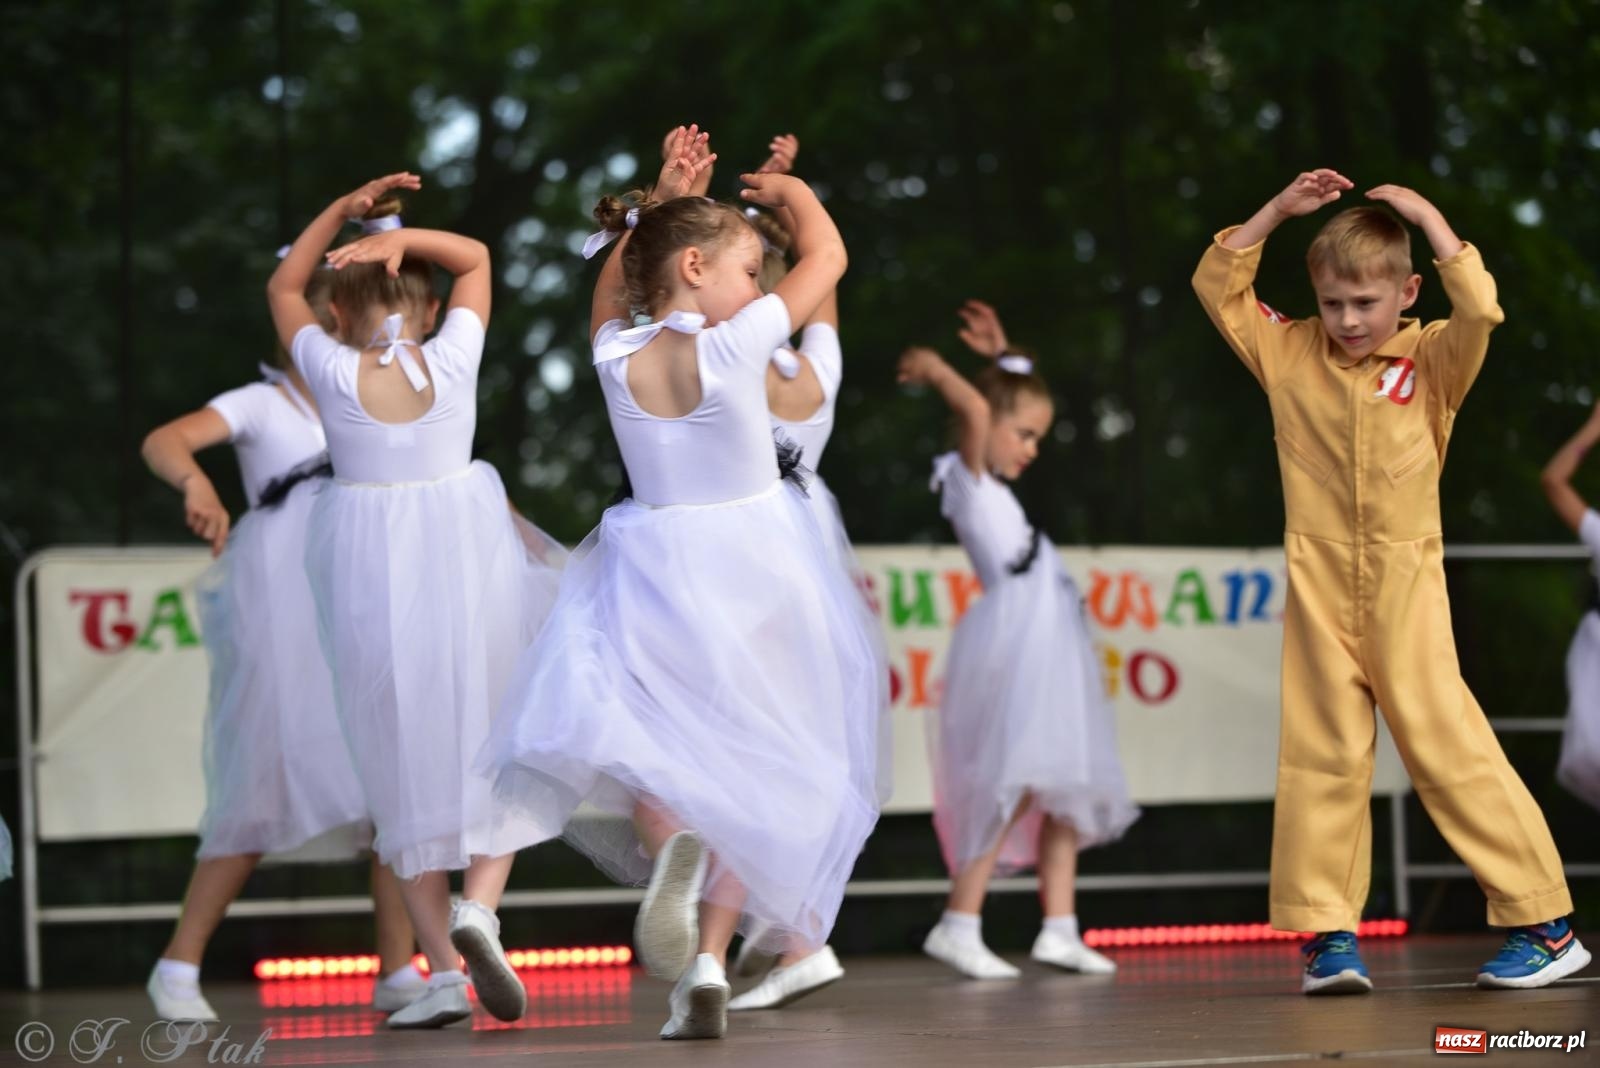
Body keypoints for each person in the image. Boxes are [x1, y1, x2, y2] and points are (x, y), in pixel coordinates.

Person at [483, 127, 882, 1040]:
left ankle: (691, 921)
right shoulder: (739, 344)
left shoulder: (617, 356)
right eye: (748, 272)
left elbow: (608, 298)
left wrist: (652, 209)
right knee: (768, 761)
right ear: (698, 267)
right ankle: (706, 960)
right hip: (758, 574)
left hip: (654, 569)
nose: (758, 287)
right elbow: (829, 256)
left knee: (672, 755)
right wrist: (794, 195)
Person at [1192, 169, 1588, 993]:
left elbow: (1480, 309)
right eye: (1334, 303)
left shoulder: (1435, 357)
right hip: (1320, 577)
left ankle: (1547, 927)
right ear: (1315, 295)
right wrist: (1276, 208)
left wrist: (1429, 219)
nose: (1347, 321)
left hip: (1408, 577)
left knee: (1448, 745)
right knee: (1322, 755)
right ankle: (1328, 939)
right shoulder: (1288, 348)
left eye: (1366, 304)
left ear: (1406, 292)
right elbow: (1217, 285)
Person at [268, 172, 564, 1028]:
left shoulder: (325, 365)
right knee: (499, 737)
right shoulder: (454, 357)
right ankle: (482, 908)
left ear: (332, 312)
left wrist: (347, 211)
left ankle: (440, 971)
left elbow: (282, 283)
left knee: (396, 772)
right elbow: (474, 260)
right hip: (465, 570)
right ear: (424, 306)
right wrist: (405, 236)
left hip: (372, 583)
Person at [896, 301, 1137, 981]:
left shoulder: (996, 484)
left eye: (1038, 437)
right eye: (1024, 434)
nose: (1031, 449)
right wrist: (944, 370)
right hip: (1018, 639)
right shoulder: (966, 479)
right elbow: (976, 413)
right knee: (1012, 781)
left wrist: (1003, 357)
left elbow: (995, 403)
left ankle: (1059, 928)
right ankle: (959, 921)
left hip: (1049, 638)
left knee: (1063, 783)